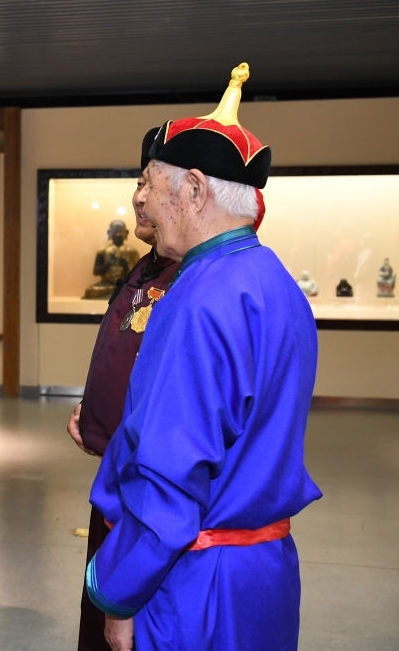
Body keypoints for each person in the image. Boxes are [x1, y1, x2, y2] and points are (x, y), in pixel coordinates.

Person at [84, 64, 322, 651]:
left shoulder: (195, 299)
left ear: (193, 188)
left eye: (148, 182)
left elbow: (171, 473)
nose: (140, 198)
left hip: (195, 582)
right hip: (263, 573)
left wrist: (121, 592)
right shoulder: (277, 284)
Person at [67, 165, 180, 650]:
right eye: (138, 184)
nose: (139, 198)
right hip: (116, 473)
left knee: (134, 623)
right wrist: (94, 410)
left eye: (150, 186)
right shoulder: (145, 265)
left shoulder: (194, 277)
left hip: (154, 489)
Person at [83, 220, 140, 300]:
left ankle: (118, 293)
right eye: (115, 231)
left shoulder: (132, 252)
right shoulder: (103, 251)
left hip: (125, 284)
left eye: (120, 231)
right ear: (109, 233)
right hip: (106, 284)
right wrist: (107, 264)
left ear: (126, 233)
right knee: (90, 291)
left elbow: (137, 275)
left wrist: (126, 266)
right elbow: (96, 271)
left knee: (137, 290)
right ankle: (118, 294)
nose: (118, 234)